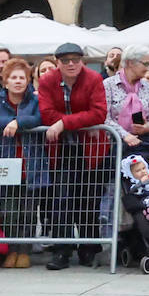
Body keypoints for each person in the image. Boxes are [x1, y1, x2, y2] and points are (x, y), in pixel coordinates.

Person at [38, 42, 110, 269]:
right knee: (61, 199)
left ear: (82, 61)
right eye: (65, 60)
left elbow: (99, 113)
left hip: (91, 149)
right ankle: (62, 251)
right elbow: (46, 112)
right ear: (57, 62)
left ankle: (89, 249)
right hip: (61, 149)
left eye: (75, 59)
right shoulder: (47, 80)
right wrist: (68, 122)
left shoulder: (94, 79)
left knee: (89, 199)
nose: (71, 64)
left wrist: (63, 122)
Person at [0, 58, 43, 268]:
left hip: (30, 166)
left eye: (21, 77)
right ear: (5, 82)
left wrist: (19, 122)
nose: (17, 81)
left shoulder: (34, 100)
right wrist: (8, 122)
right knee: (8, 212)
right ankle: (12, 249)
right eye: (13, 77)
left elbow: (39, 118)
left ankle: (24, 251)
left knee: (28, 211)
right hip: (5, 168)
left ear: (27, 80)